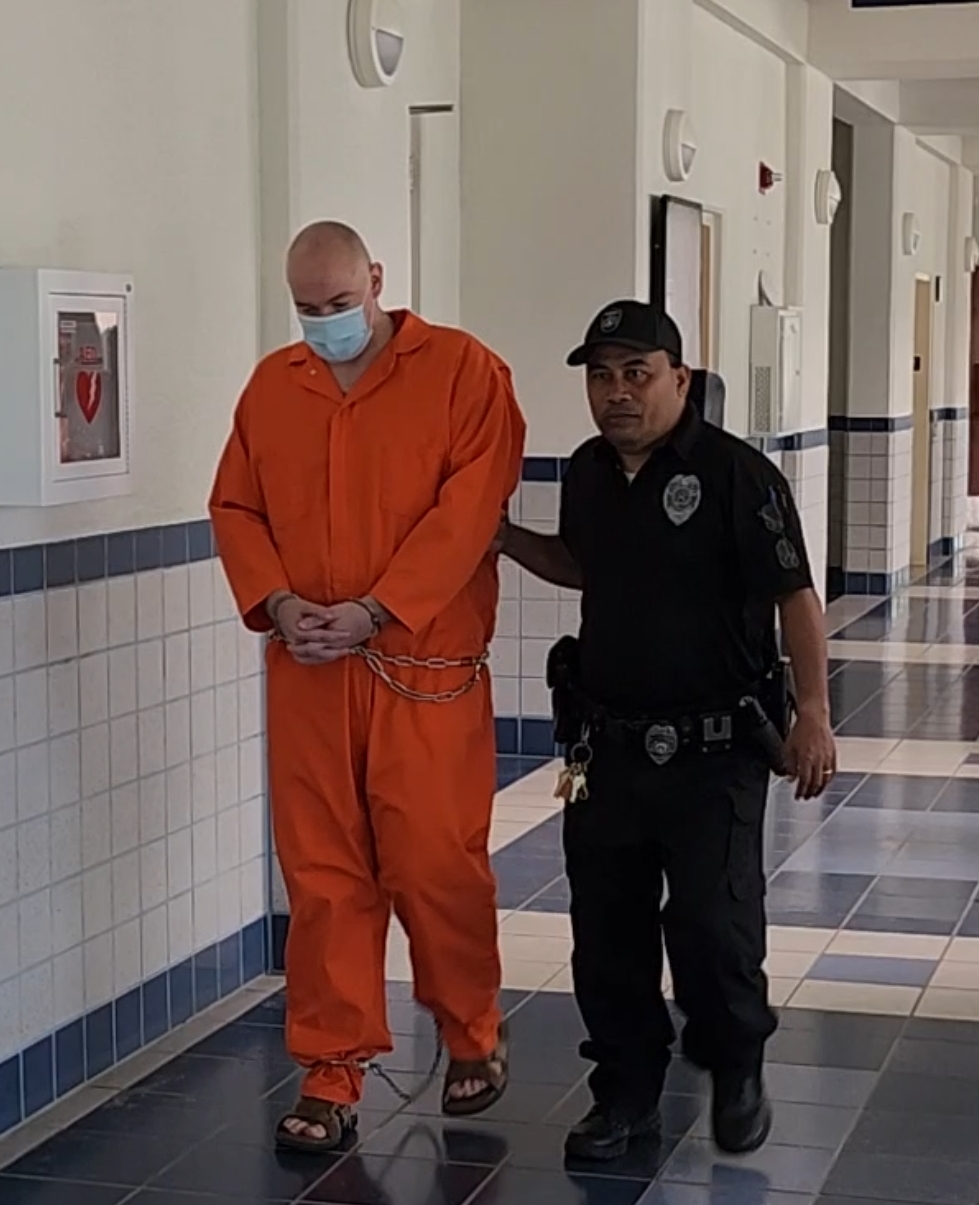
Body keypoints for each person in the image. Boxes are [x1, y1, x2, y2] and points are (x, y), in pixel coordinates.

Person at [210, 222, 526, 1151]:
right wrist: (276, 600)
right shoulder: (275, 387)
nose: (324, 323)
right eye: (307, 309)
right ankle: (329, 1071)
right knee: (323, 876)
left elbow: (471, 508)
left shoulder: (464, 373)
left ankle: (471, 1031)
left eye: (340, 304)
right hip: (311, 672)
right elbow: (235, 505)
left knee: (435, 862)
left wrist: (380, 608)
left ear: (378, 280)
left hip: (423, 669)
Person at [498, 300, 836, 1162]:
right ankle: (625, 1095)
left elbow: (795, 596)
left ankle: (736, 1061)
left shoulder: (738, 475)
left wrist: (813, 713)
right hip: (608, 746)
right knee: (606, 932)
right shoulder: (587, 471)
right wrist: (501, 537)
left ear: (679, 379)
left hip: (714, 752)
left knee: (713, 926)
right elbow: (583, 564)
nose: (617, 392)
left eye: (636, 374)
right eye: (600, 376)